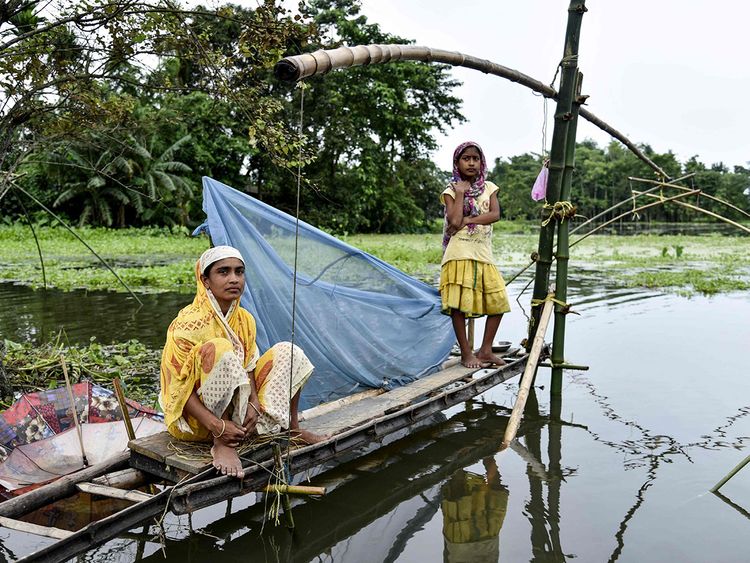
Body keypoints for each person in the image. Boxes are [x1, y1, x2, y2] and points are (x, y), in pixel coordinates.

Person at [160, 245, 326, 479]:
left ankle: (292, 429)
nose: (233, 279)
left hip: (238, 408)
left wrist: (254, 404)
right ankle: (223, 443)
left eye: (239, 272)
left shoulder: (245, 319)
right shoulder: (186, 325)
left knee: (288, 352)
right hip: (199, 422)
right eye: (223, 272)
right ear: (205, 280)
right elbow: (179, 390)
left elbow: (249, 367)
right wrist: (218, 426)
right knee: (219, 348)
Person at [440, 141, 511, 368]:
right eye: (466, 158)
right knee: (459, 306)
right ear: (457, 162)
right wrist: (460, 193)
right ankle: (466, 353)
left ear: (481, 163)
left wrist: (469, 219)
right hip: (459, 253)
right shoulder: (451, 190)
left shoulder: (489, 187)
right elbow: (453, 221)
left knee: (498, 301)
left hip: (483, 253)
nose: (471, 162)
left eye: (475, 158)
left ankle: (486, 349)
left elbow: (494, 214)